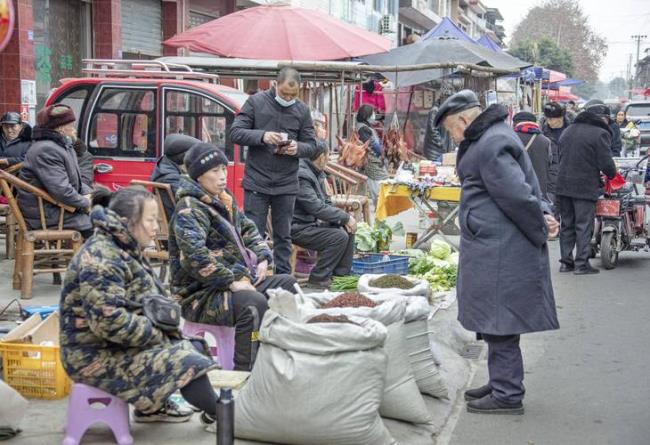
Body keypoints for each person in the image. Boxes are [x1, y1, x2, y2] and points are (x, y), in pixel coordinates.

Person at [434, 90, 559, 415]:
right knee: (494, 318)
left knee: (500, 318)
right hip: (495, 242)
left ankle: (507, 393)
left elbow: (517, 195)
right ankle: (501, 380)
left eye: (451, 129)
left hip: (502, 247)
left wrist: (540, 227)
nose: (452, 136)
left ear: (464, 119)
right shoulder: (489, 137)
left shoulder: (490, 144)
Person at [60, 187, 220, 431]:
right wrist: (159, 335)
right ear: (128, 222)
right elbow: (109, 322)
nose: (156, 226)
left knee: (194, 345)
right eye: (150, 220)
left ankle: (153, 408)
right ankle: (225, 415)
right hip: (92, 356)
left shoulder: (123, 245)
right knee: (187, 361)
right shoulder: (103, 257)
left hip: (116, 345)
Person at [169, 143, 297, 371]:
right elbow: (194, 257)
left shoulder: (223, 199)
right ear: (199, 176)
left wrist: (263, 257)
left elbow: (249, 230)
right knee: (253, 304)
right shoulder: (188, 208)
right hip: (201, 293)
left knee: (288, 285)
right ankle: (245, 374)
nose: (222, 177)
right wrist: (232, 282)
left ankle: (281, 354)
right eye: (215, 171)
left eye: (223, 169)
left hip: (238, 279)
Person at [229, 67, 317, 275]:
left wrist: (297, 148)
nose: (288, 98)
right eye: (284, 93)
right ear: (275, 84)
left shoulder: (302, 111)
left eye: (292, 95)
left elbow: (312, 145)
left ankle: (284, 279)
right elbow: (236, 133)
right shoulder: (256, 102)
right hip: (257, 181)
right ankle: (250, 276)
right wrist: (263, 136)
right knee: (253, 233)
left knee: (283, 236)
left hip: (286, 183)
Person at [556, 100, 617, 275]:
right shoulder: (599, 134)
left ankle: (566, 262)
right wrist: (612, 174)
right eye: (607, 119)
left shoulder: (568, 130)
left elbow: (561, 155)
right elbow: (606, 162)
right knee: (583, 225)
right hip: (584, 186)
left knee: (567, 224)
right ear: (602, 118)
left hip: (563, 185)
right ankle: (581, 264)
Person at [17, 104, 93, 238]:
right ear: (61, 127)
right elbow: (61, 190)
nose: (73, 127)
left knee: (107, 217)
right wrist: (86, 203)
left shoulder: (62, 146)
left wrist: (93, 196)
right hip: (48, 214)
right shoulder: (47, 150)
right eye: (71, 124)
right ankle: (91, 258)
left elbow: (77, 183)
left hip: (59, 208)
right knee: (105, 226)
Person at [291, 140, 356, 289]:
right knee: (339, 237)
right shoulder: (302, 175)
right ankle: (318, 278)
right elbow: (316, 207)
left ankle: (340, 276)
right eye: (328, 156)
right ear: (321, 157)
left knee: (347, 228)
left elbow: (325, 202)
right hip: (297, 227)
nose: (328, 159)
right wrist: (345, 217)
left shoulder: (315, 172)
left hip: (310, 223)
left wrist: (344, 219)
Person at [150, 134, 200, 220]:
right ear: (185, 159)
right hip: (179, 222)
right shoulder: (170, 178)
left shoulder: (165, 167)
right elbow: (194, 200)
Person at [512, 111, 553, 200]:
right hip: (540, 191)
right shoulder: (545, 141)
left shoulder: (510, 138)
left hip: (516, 190)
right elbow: (551, 166)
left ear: (515, 123)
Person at [356, 104, 389, 203]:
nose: (374, 115)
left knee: (371, 185)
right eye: (372, 113)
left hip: (373, 159)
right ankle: (380, 209)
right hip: (372, 161)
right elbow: (371, 144)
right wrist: (381, 152)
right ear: (367, 115)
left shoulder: (365, 126)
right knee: (379, 185)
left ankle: (377, 208)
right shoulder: (362, 128)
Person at [541, 102, 568, 211]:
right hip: (550, 179)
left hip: (568, 177)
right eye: (547, 118)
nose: (549, 122)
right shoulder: (542, 132)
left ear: (560, 118)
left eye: (552, 119)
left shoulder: (571, 130)